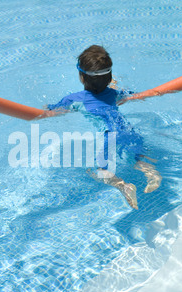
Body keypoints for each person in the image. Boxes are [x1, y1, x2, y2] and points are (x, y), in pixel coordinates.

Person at [46, 45, 161, 210]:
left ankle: (123, 186)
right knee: (140, 158)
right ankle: (153, 175)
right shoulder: (115, 94)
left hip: (109, 136)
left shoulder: (74, 99)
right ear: (110, 77)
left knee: (99, 171)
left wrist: (45, 108)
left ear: (81, 77)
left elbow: (53, 111)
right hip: (128, 131)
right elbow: (134, 96)